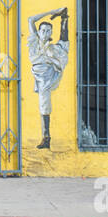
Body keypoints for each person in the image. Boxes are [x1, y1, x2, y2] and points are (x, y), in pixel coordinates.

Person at [28, 8, 70, 149]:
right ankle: (46, 137)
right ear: (39, 32)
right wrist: (53, 11)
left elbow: (62, 52)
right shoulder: (34, 42)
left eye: (48, 31)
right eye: (43, 30)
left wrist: (49, 54)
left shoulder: (52, 49)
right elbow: (31, 20)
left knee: (44, 104)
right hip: (39, 75)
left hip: (48, 76)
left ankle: (46, 137)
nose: (45, 33)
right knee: (43, 104)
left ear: (51, 33)